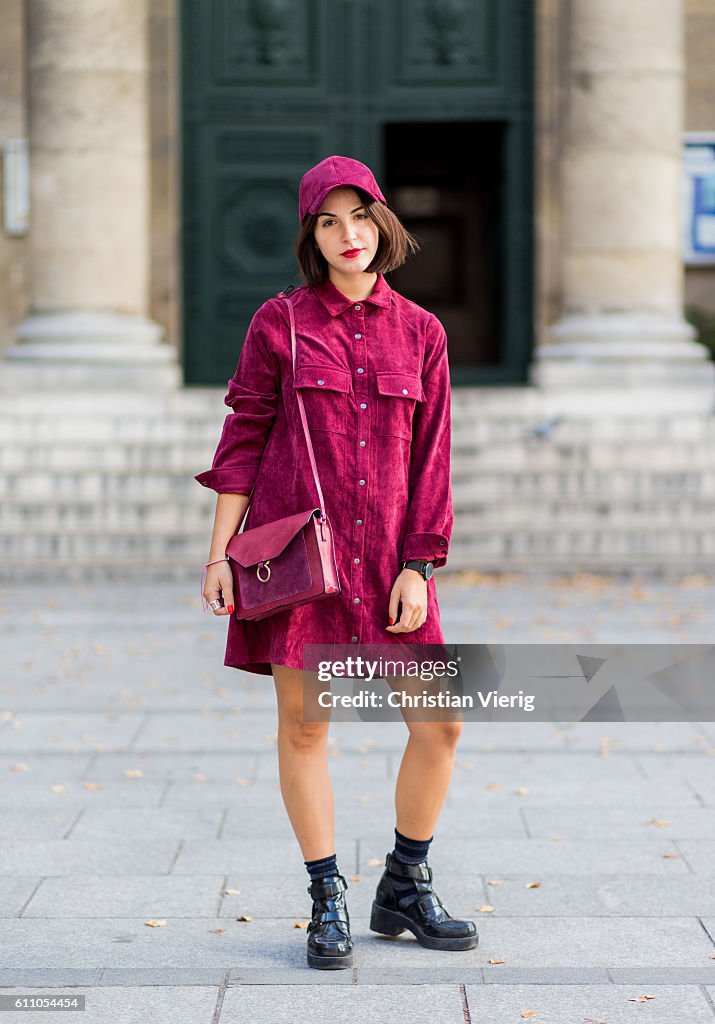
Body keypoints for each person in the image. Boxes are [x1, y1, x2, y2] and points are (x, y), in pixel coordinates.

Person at [195, 155, 478, 969]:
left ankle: (404, 883)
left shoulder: (422, 332)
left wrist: (420, 566)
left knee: (441, 724)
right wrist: (218, 555)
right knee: (307, 726)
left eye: (360, 217)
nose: (347, 235)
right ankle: (326, 898)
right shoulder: (278, 323)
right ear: (309, 234)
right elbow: (242, 439)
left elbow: (434, 456)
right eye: (327, 220)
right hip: (303, 561)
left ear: (383, 223)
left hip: (391, 559)